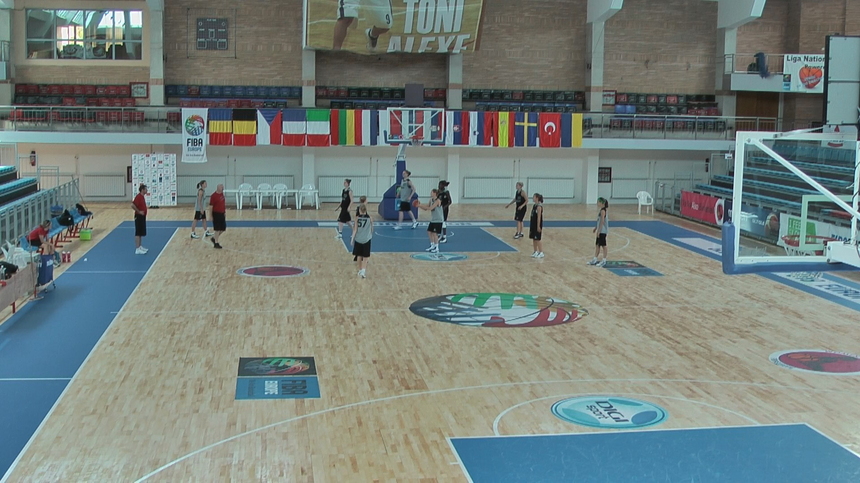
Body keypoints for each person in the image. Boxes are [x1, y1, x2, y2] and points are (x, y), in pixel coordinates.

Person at [350, 203, 373, 278]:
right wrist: (370, 235)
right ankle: (363, 270)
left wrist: (352, 239)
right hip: (366, 239)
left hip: (358, 239)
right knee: (365, 257)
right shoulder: (370, 218)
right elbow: (372, 228)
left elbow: (355, 229)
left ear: (359, 210)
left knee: (359, 255)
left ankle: (360, 270)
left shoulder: (357, 218)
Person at [418, 189, 443, 253]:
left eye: (431, 192)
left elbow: (431, 208)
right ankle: (432, 245)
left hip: (438, 220)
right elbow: (426, 208)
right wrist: (419, 206)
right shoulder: (431, 200)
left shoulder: (437, 201)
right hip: (433, 219)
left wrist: (420, 205)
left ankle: (437, 248)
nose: (430, 193)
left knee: (435, 233)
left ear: (434, 193)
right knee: (429, 231)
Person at [588, 197, 609, 267]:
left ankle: (604, 260)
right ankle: (595, 259)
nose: (597, 203)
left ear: (602, 203)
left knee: (603, 245)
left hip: (603, 231)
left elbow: (602, 221)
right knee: (597, 244)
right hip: (600, 230)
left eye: (598, 202)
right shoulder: (601, 210)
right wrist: (596, 228)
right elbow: (599, 220)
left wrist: (599, 231)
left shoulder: (603, 211)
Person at [209, 184, 227, 249]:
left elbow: (223, 204)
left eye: (223, 187)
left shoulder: (222, 194)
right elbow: (211, 206)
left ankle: (214, 238)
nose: (222, 188)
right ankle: (216, 243)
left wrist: (224, 212)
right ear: (218, 188)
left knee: (223, 228)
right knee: (217, 229)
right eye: (221, 187)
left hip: (222, 213)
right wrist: (210, 216)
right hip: (216, 213)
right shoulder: (213, 196)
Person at [132, 184, 148, 255]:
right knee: (138, 232)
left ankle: (140, 246)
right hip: (138, 216)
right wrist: (139, 211)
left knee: (141, 232)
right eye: (145, 189)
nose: (146, 190)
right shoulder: (138, 197)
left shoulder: (142, 197)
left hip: (142, 217)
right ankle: (137, 248)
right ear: (142, 190)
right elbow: (132, 205)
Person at [529, 193, 544, 258]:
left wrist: (538, 226)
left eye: (534, 197)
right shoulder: (534, 205)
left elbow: (539, 217)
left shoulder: (539, 207)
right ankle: (535, 251)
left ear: (537, 198)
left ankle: (541, 252)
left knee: (537, 238)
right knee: (533, 238)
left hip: (537, 224)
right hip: (533, 224)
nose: (533, 198)